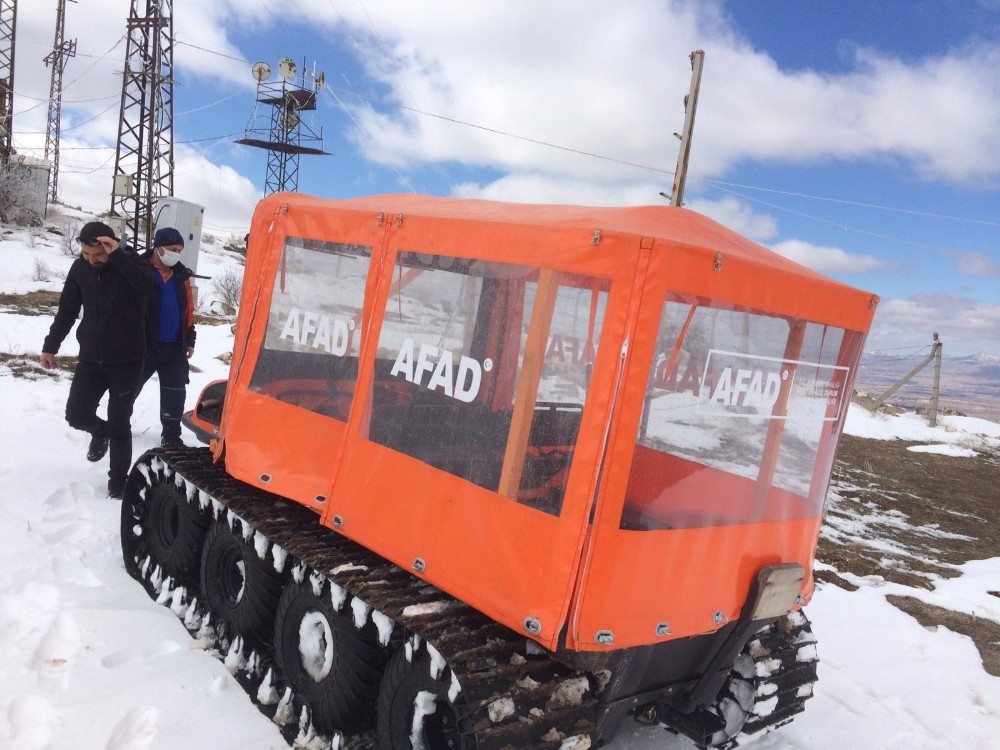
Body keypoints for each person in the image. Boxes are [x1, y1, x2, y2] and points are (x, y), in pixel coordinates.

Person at [40, 221, 156, 498]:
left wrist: (117, 257)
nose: (92, 261)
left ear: (111, 246)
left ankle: (118, 481)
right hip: (92, 358)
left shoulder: (132, 265)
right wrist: (50, 346)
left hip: (128, 361)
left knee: (120, 421)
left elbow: (148, 288)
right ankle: (99, 431)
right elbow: (67, 310)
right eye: (86, 255)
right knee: (76, 415)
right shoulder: (80, 268)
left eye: (99, 255)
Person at [138, 227, 197, 448]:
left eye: (179, 250)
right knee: (129, 389)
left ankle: (171, 437)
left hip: (174, 347)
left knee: (175, 394)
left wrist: (190, 338)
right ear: (158, 247)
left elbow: (188, 310)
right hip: (143, 345)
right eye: (172, 249)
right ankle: (116, 426)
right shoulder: (140, 270)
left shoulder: (181, 276)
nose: (176, 254)